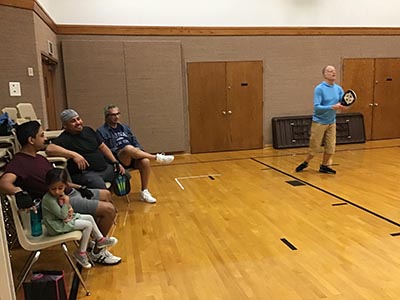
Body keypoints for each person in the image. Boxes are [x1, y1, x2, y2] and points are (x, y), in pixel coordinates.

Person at [0, 121, 121, 265]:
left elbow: (57, 182)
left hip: (70, 192)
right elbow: (4, 182)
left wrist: (80, 187)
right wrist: (18, 192)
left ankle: (92, 242)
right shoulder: (18, 162)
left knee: (106, 194)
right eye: (41, 135)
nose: (45, 138)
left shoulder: (39, 158)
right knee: (109, 210)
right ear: (31, 140)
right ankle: (98, 252)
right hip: (60, 201)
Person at [97, 104, 174, 203]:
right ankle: (157, 157)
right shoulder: (101, 131)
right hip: (119, 158)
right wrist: (116, 161)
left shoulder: (125, 128)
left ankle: (144, 191)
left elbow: (134, 141)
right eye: (113, 115)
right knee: (128, 148)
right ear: (106, 116)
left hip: (133, 155)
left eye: (118, 114)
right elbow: (105, 150)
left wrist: (138, 150)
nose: (116, 117)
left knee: (145, 161)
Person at [42, 168, 118, 268]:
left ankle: (100, 239)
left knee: (89, 217)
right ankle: (81, 253)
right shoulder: (48, 199)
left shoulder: (61, 194)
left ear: (65, 185)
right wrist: (66, 203)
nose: (57, 191)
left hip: (62, 220)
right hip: (56, 226)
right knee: (88, 225)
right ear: (48, 187)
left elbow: (67, 209)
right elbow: (62, 215)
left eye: (60, 188)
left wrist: (70, 208)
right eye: (53, 188)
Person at [46, 109, 126, 190]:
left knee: (124, 174)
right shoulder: (64, 138)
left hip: (104, 168)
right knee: (99, 185)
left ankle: (108, 193)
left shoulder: (88, 130)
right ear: (65, 125)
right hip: (87, 173)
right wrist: (74, 155)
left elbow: (102, 147)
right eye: (73, 121)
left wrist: (115, 162)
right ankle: (104, 199)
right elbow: (49, 149)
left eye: (78, 119)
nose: (78, 122)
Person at [295, 65, 347, 174]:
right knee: (315, 147)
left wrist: (344, 106)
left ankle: (324, 166)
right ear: (324, 74)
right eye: (330, 71)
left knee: (331, 147)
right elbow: (317, 107)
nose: (333, 72)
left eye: (334, 71)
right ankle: (306, 162)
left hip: (331, 122)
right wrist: (332, 107)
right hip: (319, 122)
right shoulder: (319, 89)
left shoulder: (339, 89)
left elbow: (344, 103)